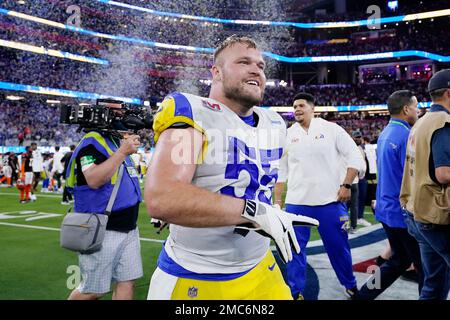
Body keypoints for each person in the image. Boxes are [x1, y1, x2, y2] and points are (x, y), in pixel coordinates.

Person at [145, 35, 318, 300]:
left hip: (261, 266)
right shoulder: (192, 111)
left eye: (260, 65)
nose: (256, 70)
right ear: (216, 72)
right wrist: (252, 211)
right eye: (243, 62)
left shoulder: (274, 122)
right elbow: (162, 197)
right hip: (197, 276)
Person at [274, 92, 365, 300]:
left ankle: (349, 284)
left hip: (329, 202)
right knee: (294, 251)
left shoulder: (331, 129)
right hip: (297, 203)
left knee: (339, 249)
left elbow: (354, 156)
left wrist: (346, 184)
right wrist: (278, 202)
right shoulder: (288, 135)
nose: (296, 109)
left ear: (313, 108)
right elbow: (281, 171)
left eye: (301, 105)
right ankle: (296, 292)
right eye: (294, 106)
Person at [66, 103, 143, 300]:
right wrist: (122, 153)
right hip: (103, 228)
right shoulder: (91, 143)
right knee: (93, 290)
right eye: (117, 113)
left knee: (127, 281)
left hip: (128, 227)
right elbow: (93, 179)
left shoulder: (112, 141)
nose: (123, 117)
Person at [357, 90, 423, 300]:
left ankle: (364, 294)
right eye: (415, 107)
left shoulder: (386, 133)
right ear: (406, 109)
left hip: (387, 210)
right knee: (428, 269)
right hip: (402, 213)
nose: (418, 110)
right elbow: (413, 176)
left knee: (398, 261)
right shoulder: (407, 135)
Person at [400, 69, 450, 300]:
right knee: (435, 283)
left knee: (435, 283)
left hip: (416, 210)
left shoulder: (421, 122)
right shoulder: (443, 122)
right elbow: (443, 173)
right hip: (436, 214)